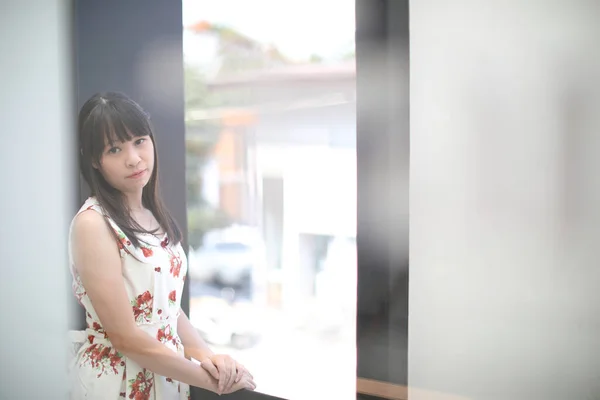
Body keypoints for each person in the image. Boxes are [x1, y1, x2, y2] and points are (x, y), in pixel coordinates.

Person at [68, 92, 256, 399]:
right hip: (118, 382)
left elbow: (167, 309)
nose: (133, 158)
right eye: (115, 149)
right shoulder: (93, 224)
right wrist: (209, 380)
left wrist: (209, 358)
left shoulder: (151, 215)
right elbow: (125, 337)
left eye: (139, 140)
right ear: (94, 160)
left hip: (167, 376)